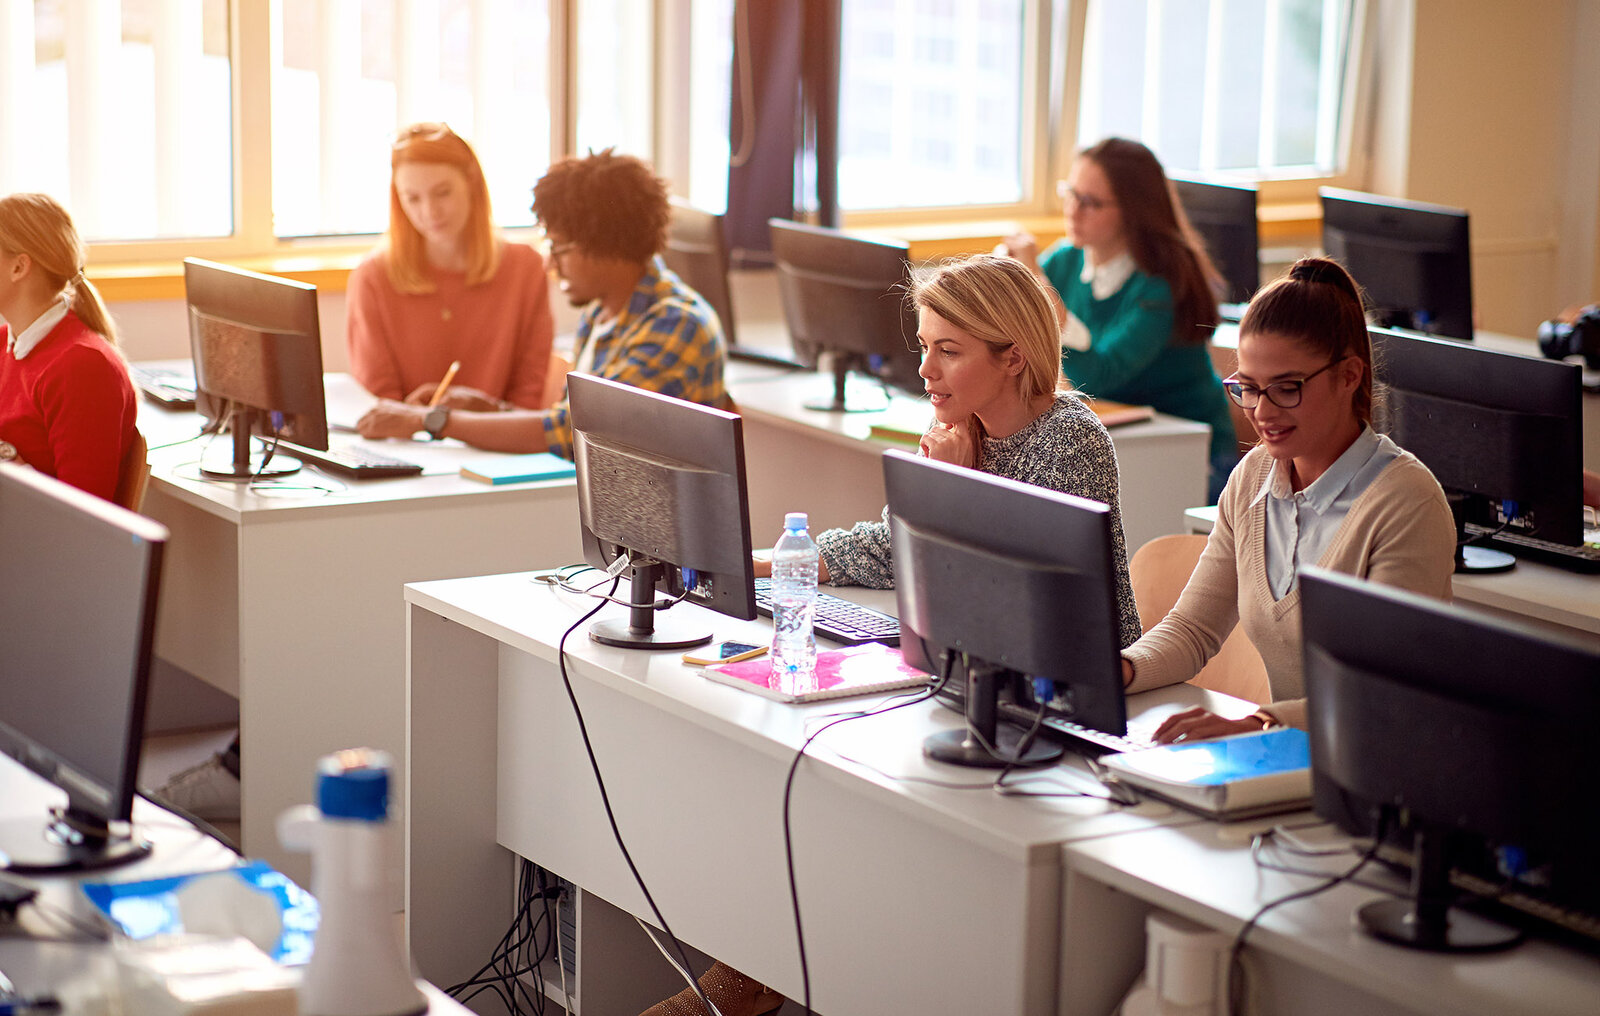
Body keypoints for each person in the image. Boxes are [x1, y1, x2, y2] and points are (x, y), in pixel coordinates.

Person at [1123, 257, 1457, 744]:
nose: (1261, 411)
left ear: (1348, 375)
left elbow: (1383, 687)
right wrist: (1119, 670)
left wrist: (1258, 724)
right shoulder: (1253, 476)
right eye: (1249, 389)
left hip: (1387, 766)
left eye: (1286, 389)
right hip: (1288, 757)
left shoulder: (1406, 502)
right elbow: (1192, 629)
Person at [357, 149, 726, 455]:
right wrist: (490, 409)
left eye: (559, 248)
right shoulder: (604, 313)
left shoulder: (675, 324)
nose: (549, 264)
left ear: (607, 246)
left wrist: (432, 421)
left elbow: (576, 433)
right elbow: (566, 419)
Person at [1000, 137, 1238, 502]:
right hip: (1118, 441)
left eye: (1090, 202)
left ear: (1133, 211)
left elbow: (1099, 378)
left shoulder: (1161, 282)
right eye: (1070, 194)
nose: (1073, 211)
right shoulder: (1066, 260)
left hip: (1187, 451)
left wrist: (1041, 290)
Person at [346, 122, 554, 410]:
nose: (430, 212)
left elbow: (527, 398)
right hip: (406, 448)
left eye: (442, 192)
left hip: (501, 446)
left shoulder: (525, 269)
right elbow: (381, 404)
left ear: (471, 182)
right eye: (413, 198)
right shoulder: (373, 278)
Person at [0, 192, 137, 503]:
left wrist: (10, 464)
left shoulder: (83, 367)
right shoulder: (5, 342)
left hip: (35, 546)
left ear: (19, 268)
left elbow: (82, 515)